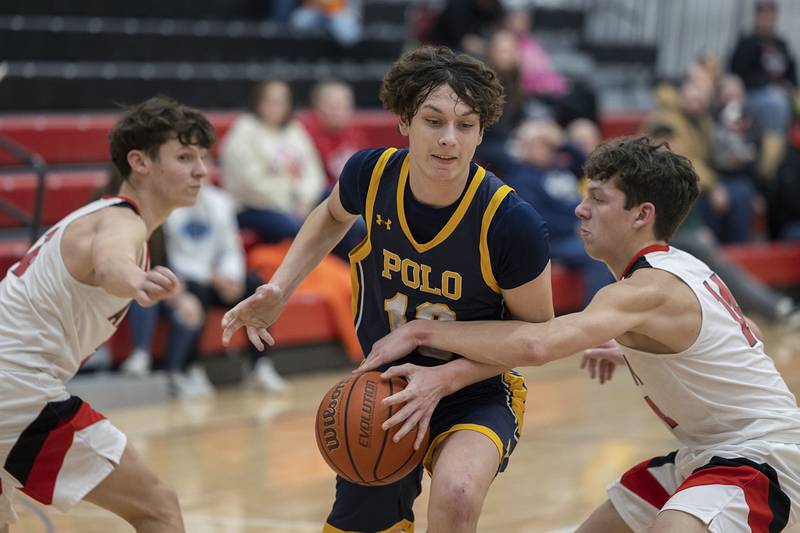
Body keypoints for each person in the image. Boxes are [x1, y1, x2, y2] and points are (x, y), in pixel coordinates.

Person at [358, 136, 800, 532]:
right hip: (707, 454)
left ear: (641, 215)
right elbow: (747, 331)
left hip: (764, 455)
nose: (580, 208)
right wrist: (636, 349)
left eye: (598, 199)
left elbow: (536, 343)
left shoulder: (645, 289)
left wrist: (422, 331)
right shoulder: (681, 269)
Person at [222, 46, 554, 533]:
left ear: (482, 132)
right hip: (384, 387)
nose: (448, 139)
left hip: (475, 386)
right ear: (404, 121)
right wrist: (280, 287)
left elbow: (537, 336)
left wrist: (445, 379)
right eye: (433, 120)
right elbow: (331, 215)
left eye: (465, 125)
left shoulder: (509, 222)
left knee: (457, 493)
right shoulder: (370, 175)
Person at [0, 96, 215, 532]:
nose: (201, 171)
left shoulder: (101, 216)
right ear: (139, 162)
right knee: (158, 508)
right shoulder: (123, 222)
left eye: (203, 158)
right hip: (16, 386)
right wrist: (134, 281)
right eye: (185, 156)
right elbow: (110, 262)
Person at [162, 183, 287, 393]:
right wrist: (212, 277)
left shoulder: (220, 201)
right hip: (189, 279)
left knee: (258, 288)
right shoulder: (167, 204)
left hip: (221, 278)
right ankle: (192, 368)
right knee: (195, 294)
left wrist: (232, 277)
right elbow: (177, 258)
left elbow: (231, 248)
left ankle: (259, 366)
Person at [220, 79, 326, 246]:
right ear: (258, 101)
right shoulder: (243, 131)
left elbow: (314, 172)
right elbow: (249, 184)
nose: (276, 106)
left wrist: (305, 200)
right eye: (270, 101)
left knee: (338, 209)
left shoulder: (294, 130)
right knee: (293, 226)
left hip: (299, 203)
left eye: (282, 101)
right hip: (254, 207)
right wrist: (291, 202)